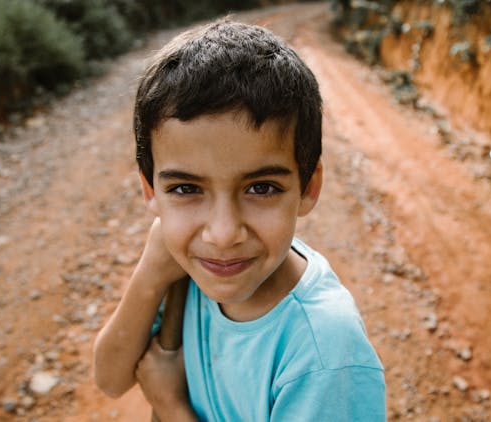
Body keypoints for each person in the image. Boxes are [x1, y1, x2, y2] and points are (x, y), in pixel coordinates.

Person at [93, 19, 386, 421]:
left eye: (261, 188)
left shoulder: (326, 355)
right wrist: (151, 274)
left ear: (308, 186)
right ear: (151, 192)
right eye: (185, 189)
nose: (223, 234)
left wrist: (171, 406)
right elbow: (110, 378)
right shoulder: (183, 267)